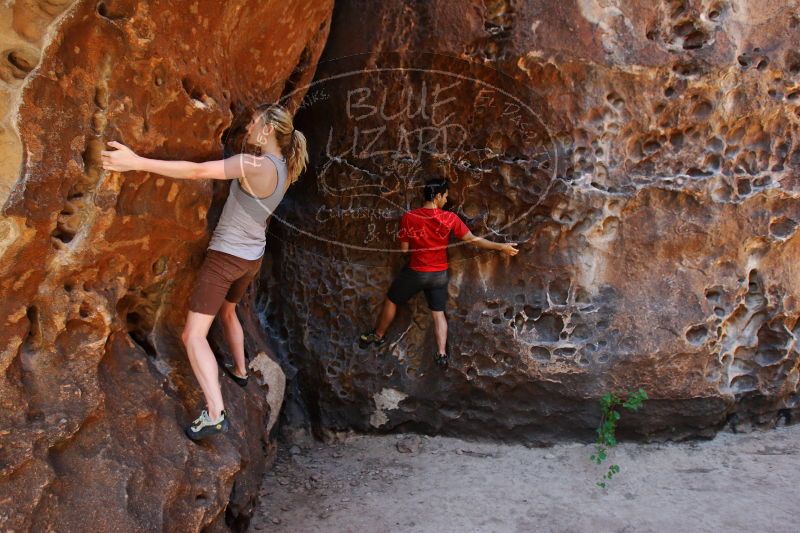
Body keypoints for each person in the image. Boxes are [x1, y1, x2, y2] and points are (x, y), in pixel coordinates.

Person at [101, 103, 308, 440]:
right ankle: (240, 371)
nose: (249, 128)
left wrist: (136, 162)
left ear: (268, 129)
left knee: (192, 335)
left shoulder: (250, 164)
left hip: (226, 257)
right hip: (252, 257)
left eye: (255, 123)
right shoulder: (284, 167)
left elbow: (198, 172)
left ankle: (215, 412)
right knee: (228, 311)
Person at [359, 178, 518, 367]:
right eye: (445, 196)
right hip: (439, 275)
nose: (446, 200)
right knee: (438, 313)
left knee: (392, 300)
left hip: (416, 272)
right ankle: (441, 354)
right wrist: (501, 247)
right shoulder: (450, 219)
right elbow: (473, 240)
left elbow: (403, 250)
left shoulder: (410, 217)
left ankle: (378, 335)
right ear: (437, 197)